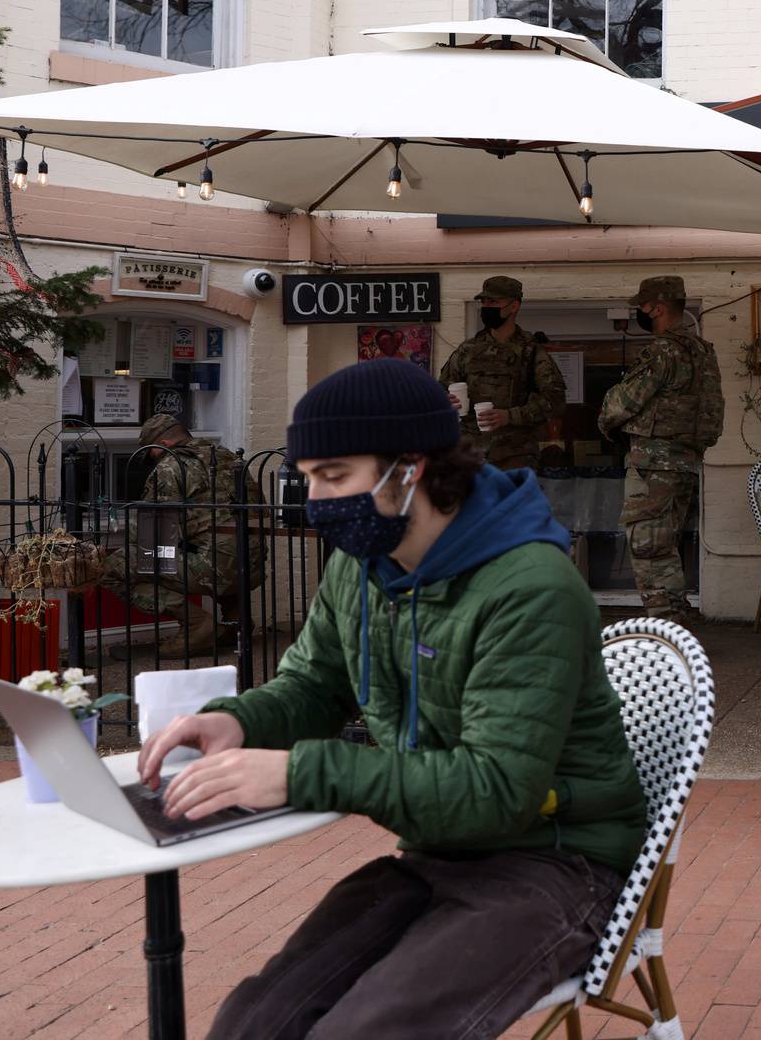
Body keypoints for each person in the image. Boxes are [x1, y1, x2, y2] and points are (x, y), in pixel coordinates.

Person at [138, 359, 647, 1037]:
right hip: (437, 850)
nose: (317, 502)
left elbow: (496, 788)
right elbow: (314, 684)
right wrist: (234, 721)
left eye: (335, 476)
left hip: (555, 861)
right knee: (252, 1021)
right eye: (309, 477)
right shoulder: (362, 564)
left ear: (410, 468)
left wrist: (299, 771)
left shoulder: (530, 587)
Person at [597, 275, 724, 621]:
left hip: (654, 464)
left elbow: (621, 403)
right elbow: (713, 411)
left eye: (642, 305)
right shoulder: (702, 350)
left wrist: (606, 422)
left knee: (649, 546)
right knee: (665, 547)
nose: (640, 311)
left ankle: (666, 630)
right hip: (684, 463)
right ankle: (676, 626)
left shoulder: (662, 351)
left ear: (658, 307)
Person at [105, 414, 265, 661]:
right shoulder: (229, 458)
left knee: (117, 566)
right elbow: (257, 511)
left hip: (213, 571)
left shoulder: (170, 467)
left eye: (153, 454)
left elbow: (149, 538)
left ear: (165, 444)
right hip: (252, 567)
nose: (154, 462)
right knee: (213, 544)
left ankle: (197, 625)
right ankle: (236, 623)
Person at [438, 275, 567, 471]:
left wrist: (510, 416)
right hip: (471, 455)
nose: (486, 307)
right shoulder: (467, 350)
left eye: (494, 301)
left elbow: (555, 401)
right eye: (484, 302)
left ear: (514, 306)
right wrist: (446, 401)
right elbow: (441, 389)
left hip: (514, 454)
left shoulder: (530, 351)